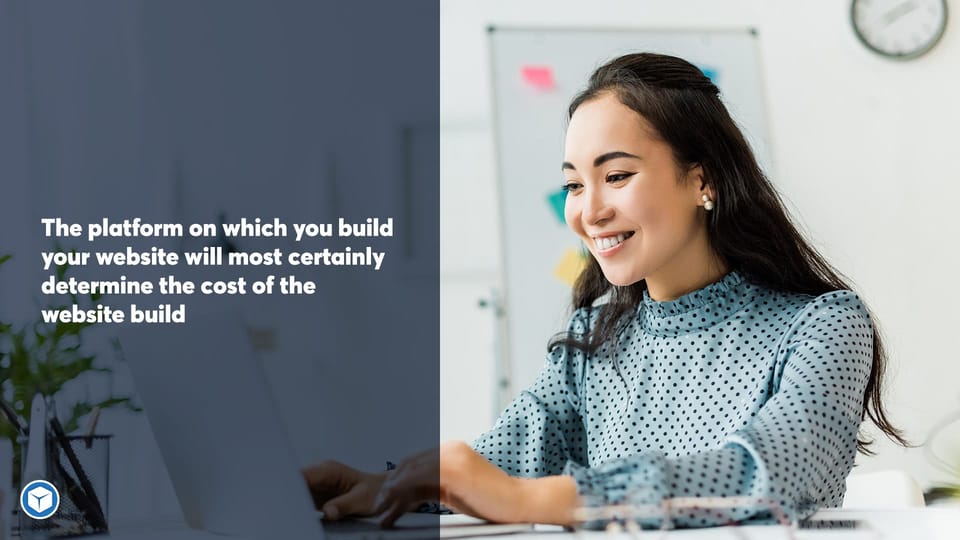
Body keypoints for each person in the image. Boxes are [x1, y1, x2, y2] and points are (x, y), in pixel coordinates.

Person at [303, 52, 908, 529]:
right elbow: (496, 467)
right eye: (573, 185)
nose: (588, 211)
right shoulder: (591, 340)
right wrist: (376, 485)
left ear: (702, 180)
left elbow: (771, 474)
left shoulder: (825, 324)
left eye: (616, 176)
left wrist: (535, 498)